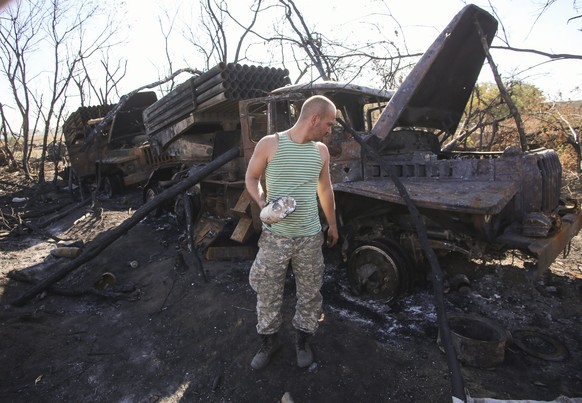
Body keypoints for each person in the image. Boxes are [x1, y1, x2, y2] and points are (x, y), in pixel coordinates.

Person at [245, 95, 339, 370]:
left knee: (310, 292)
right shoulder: (270, 144)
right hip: (276, 237)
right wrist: (263, 202)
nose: (330, 130)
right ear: (314, 119)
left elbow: (325, 189)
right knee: (267, 290)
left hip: (310, 238)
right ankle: (269, 341)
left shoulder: (321, 151)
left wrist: (332, 224)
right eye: (329, 124)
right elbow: (251, 177)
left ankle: (303, 340)